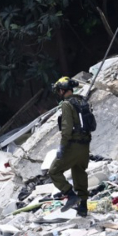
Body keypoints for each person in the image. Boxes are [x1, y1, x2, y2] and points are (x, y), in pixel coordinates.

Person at [48, 77, 93, 218]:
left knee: (54, 171)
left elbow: (66, 129)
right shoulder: (82, 101)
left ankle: (71, 195)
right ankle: (83, 207)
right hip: (85, 145)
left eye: (59, 91)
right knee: (79, 172)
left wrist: (62, 147)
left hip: (73, 145)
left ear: (62, 90)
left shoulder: (66, 105)